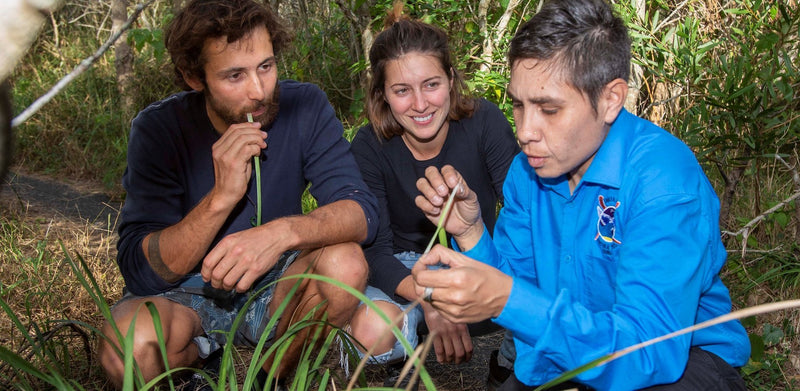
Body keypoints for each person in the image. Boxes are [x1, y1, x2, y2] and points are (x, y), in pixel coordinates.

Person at [410, 0, 751, 390]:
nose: (525, 132)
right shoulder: (528, 172)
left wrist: (510, 301)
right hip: (565, 352)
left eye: (549, 110)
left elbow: (648, 350)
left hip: (677, 363)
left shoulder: (662, 182)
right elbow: (515, 288)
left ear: (610, 99)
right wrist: (470, 232)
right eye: (518, 106)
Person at [96, 0, 378, 388]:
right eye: (234, 76)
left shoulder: (305, 105)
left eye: (266, 66)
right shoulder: (159, 129)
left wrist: (280, 234)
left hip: (277, 282)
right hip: (185, 291)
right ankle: (199, 355)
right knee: (126, 347)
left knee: (346, 264)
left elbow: (362, 211)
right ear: (195, 77)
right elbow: (141, 271)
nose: (259, 91)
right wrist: (221, 198)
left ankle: (272, 376)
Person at [346, 5, 520, 388]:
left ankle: (512, 362)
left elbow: (527, 212)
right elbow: (372, 251)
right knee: (373, 330)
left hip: (481, 260)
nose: (421, 104)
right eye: (402, 91)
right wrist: (427, 297)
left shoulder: (485, 122)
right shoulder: (369, 146)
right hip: (405, 273)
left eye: (431, 84)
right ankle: (402, 356)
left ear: (451, 79)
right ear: (383, 96)